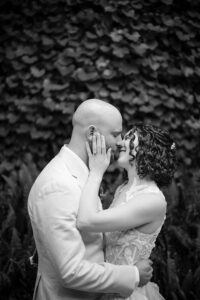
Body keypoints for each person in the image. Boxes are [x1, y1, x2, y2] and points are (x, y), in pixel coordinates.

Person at [27, 99, 153, 300]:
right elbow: (71, 271)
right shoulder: (58, 186)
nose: (121, 141)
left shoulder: (85, 172)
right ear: (92, 133)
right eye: (115, 134)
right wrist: (133, 274)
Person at [77, 123, 177, 299]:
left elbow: (86, 221)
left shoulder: (152, 200)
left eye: (129, 139)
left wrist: (96, 172)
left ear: (148, 150)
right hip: (109, 285)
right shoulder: (123, 188)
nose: (121, 143)